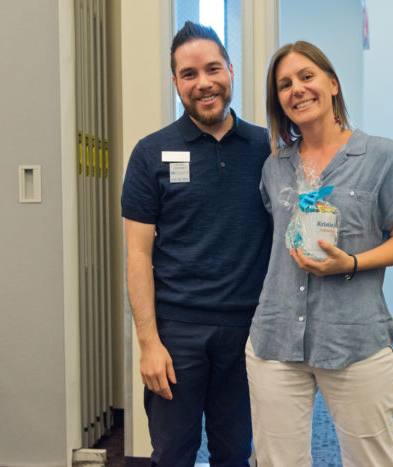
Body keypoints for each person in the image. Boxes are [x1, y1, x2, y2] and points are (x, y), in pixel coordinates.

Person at [246, 41, 393, 466]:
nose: (297, 90)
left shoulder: (382, 155)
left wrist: (353, 262)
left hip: (354, 337)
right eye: (285, 84)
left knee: (370, 460)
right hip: (275, 340)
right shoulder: (274, 166)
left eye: (307, 76)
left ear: (332, 83)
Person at [121, 21, 272, 467]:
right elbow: (137, 254)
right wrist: (148, 342)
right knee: (172, 454)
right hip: (175, 334)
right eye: (189, 74)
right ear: (176, 83)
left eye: (212, 69)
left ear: (230, 70)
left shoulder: (268, 149)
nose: (203, 83)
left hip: (248, 333)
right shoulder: (151, 153)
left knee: (235, 455)